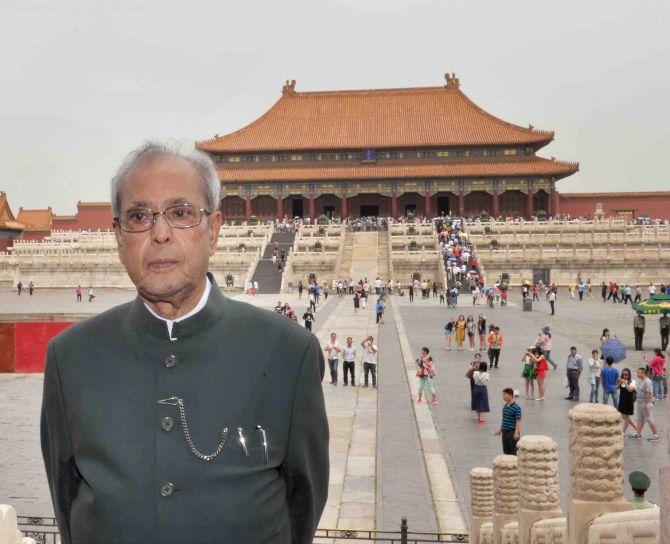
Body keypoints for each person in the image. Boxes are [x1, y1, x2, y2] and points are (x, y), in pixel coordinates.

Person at [40, 141, 328, 544]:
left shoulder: (288, 354)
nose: (160, 234)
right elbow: (67, 500)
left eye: (181, 213)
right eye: (139, 216)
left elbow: (303, 503)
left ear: (213, 230)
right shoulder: (71, 358)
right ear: (119, 236)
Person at [629, 367, 660, 441]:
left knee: (649, 419)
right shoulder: (640, 380)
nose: (637, 374)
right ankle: (638, 434)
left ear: (643, 373)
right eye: (637, 372)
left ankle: (656, 436)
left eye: (639, 372)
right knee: (640, 419)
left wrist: (645, 404)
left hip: (645, 404)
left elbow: (649, 393)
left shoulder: (647, 381)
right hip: (640, 403)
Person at [495, 388, 522, 455]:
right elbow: (504, 419)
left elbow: (518, 420)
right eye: (503, 395)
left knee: (513, 451)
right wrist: (500, 430)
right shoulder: (505, 407)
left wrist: (516, 432)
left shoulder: (516, 408)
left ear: (510, 396)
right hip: (505, 431)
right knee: (506, 451)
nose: (503, 396)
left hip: (512, 431)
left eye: (505, 395)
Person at [617, 368, 637, 435]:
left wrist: (625, 383)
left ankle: (623, 432)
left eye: (626, 374)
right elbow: (615, 388)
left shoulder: (632, 381)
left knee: (627, 417)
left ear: (629, 375)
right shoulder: (621, 381)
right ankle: (637, 428)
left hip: (629, 401)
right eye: (623, 374)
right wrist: (619, 382)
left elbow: (630, 390)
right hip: (622, 401)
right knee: (624, 417)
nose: (625, 376)